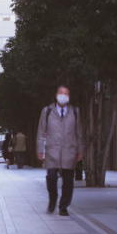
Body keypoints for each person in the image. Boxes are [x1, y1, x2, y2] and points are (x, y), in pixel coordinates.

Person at [36, 86, 84, 215]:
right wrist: (40, 149)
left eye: (67, 94)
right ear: (56, 95)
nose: (64, 96)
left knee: (68, 180)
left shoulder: (75, 111)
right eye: (61, 93)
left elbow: (79, 132)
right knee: (51, 177)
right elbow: (41, 132)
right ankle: (53, 198)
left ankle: (63, 206)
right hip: (52, 150)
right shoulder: (47, 111)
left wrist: (80, 149)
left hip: (69, 150)